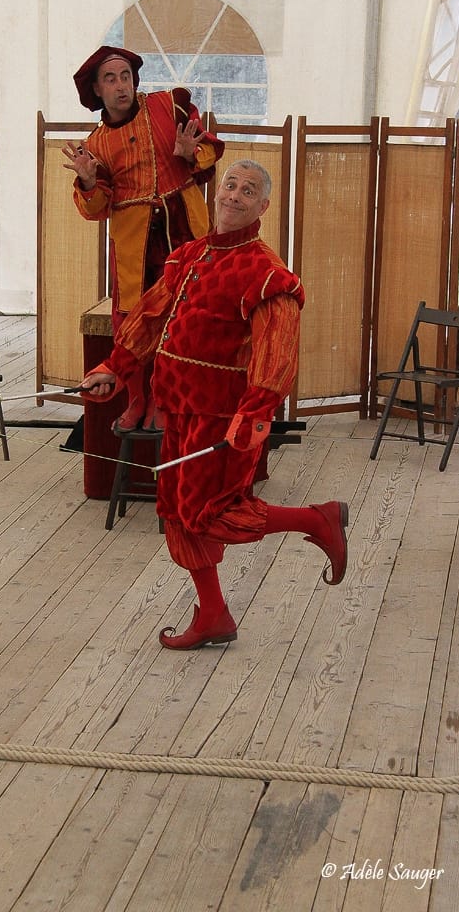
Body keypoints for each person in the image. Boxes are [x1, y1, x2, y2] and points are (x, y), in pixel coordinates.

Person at [80, 159, 349, 650]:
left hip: (223, 418)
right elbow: (148, 318)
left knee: (212, 511)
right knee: (178, 512)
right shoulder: (190, 256)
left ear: (263, 206)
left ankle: (318, 520)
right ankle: (214, 616)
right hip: (178, 407)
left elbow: (277, 354)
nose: (233, 195)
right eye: (230, 185)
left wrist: (255, 413)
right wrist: (113, 369)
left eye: (248, 191)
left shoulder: (268, 275)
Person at [62, 45, 224, 431]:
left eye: (126, 76)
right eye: (111, 79)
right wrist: (87, 180)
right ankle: (137, 401)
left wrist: (189, 152)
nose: (122, 85)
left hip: (184, 230)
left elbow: (210, 151)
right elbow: (96, 208)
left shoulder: (169, 106)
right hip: (135, 244)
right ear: (97, 90)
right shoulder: (96, 144)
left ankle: (169, 401)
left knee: (182, 319)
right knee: (134, 323)